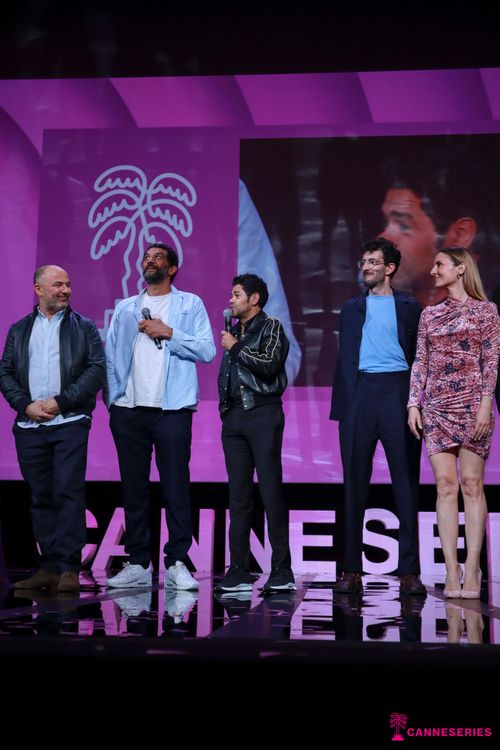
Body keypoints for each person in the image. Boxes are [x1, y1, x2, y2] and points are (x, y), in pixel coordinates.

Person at [105, 242, 215, 590]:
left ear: (172, 268)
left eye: (158, 257)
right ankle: (139, 562)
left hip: (172, 409)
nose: (150, 260)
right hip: (129, 410)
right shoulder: (125, 307)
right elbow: (111, 355)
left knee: (176, 486)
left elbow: (208, 350)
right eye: (147, 257)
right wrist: (114, 401)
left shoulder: (190, 304)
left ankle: (177, 561)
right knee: (133, 488)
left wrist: (169, 333)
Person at [0, 265, 106, 593]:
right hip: (30, 425)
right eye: (58, 284)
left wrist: (61, 402)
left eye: (68, 284)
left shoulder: (84, 327)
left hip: (69, 422)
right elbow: (5, 373)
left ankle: (70, 567)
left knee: (68, 492)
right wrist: (25, 405)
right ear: (38, 290)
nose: (65, 290)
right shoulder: (19, 329)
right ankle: (48, 566)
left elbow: (96, 370)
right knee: (41, 496)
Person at [330, 238, 426, 596]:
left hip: (398, 392)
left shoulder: (411, 307)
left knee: (405, 482)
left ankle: (409, 571)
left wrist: (416, 401)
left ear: (389, 268)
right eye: (363, 262)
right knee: (354, 484)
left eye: (373, 262)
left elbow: (420, 358)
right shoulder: (351, 309)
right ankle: (351, 569)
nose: (366, 267)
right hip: (360, 394)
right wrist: (346, 404)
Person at [408, 247, 500, 599]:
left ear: (460, 269)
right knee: (445, 487)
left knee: (472, 485)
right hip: (436, 407)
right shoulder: (429, 314)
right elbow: (421, 361)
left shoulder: (486, 311)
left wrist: (486, 404)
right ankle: (451, 568)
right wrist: (413, 402)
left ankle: (473, 566)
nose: (433, 270)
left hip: (473, 404)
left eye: (440, 265)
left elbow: (490, 360)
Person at [216, 273, 295, 593]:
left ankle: (282, 570)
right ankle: (238, 570)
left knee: (271, 492)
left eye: (236, 294)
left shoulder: (270, 326)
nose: (231, 300)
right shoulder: (234, 332)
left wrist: (235, 347)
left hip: (262, 413)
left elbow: (269, 364)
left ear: (254, 299)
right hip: (234, 418)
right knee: (238, 497)